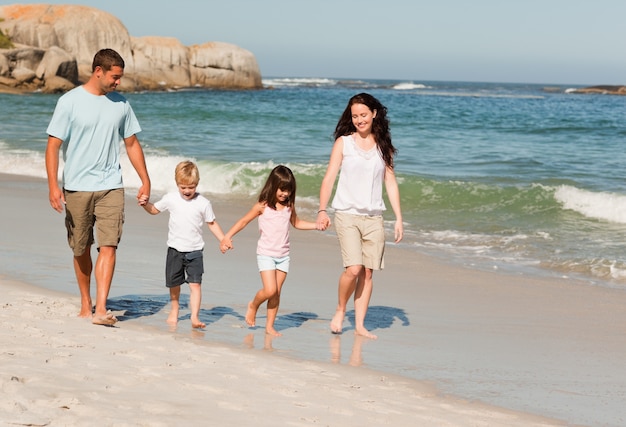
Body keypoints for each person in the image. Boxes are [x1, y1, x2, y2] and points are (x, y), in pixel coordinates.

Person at [46, 48, 151, 326]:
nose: (118, 82)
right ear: (98, 71)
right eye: (115, 77)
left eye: (120, 78)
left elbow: (131, 143)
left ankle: (101, 308)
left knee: (109, 245)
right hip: (77, 187)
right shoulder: (69, 102)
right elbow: (53, 145)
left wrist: (145, 179)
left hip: (111, 187)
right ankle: (85, 302)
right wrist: (53, 186)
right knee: (80, 248)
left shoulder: (121, 104)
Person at [316, 92, 403, 339]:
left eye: (363, 115)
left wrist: (398, 217)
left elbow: (391, 183)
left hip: (374, 217)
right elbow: (329, 177)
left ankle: (360, 325)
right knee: (353, 269)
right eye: (355, 116)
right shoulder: (344, 143)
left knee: (367, 272)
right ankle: (341, 309)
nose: (359, 120)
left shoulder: (383, 146)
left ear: (374, 113)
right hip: (347, 214)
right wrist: (322, 210)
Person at [220, 165, 318, 336]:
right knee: (270, 289)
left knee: (276, 293)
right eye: (282, 189)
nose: (285, 194)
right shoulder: (262, 206)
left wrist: (316, 225)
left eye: (288, 190)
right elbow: (243, 221)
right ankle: (253, 305)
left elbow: (297, 223)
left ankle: (269, 326)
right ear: (273, 186)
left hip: (283, 256)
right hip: (266, 254)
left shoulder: (289, 206)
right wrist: (227, 236)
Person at [140, 161, 226, 329]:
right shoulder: (171, 198)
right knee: (174, 284)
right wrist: (145, 204)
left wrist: (223, 239)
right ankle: (175, 309)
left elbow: (212, 223)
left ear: (197, 184)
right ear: (177, 184)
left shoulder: (203, 203)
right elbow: (154, 210)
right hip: (175, 250)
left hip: (195, 251)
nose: (187, 191)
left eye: (191, 187)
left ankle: (194, 317)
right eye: (183, 187)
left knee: (196, 284)